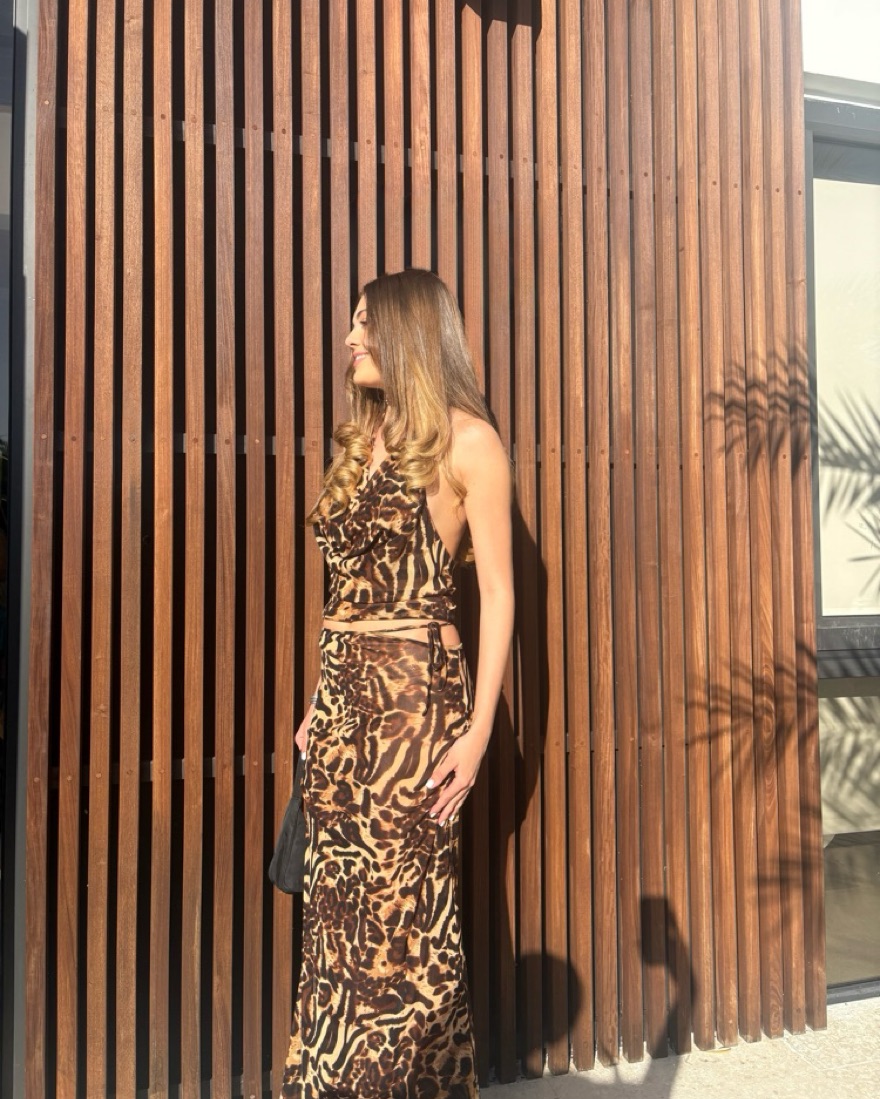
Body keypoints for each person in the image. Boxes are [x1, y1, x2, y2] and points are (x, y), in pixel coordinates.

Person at [281, 269, 514, 1098]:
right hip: (342, 707)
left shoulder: (469, 442)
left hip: (413, 706)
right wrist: (318, 703)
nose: (350, 340)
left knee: (400, 924)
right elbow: (345, 598)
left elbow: (499, 593)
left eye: (364, 325)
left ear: (410, 332)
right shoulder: (364, 440)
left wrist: (478, 733)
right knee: (337, 918)